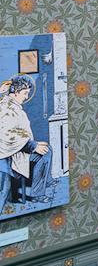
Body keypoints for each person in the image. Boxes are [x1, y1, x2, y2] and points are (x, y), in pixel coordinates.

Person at [0, 76, 51, 210]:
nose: (27, 96)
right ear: (15, 92)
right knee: (44, 154)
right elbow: (7, 135)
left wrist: (34, 143)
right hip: (10, 154)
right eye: (25, 93)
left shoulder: (13, 105)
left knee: (47, 149)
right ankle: (37, 194)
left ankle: (41, 187)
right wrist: (33, 145)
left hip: (19, 148)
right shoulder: (6, 108)